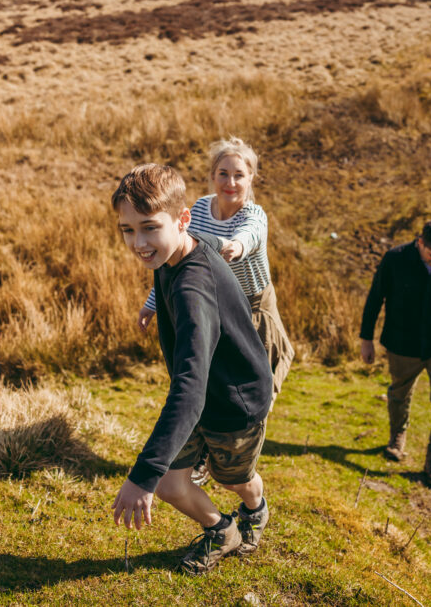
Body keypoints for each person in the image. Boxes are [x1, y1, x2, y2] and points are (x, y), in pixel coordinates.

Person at [110, 163, 273, 575]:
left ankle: (255, 508)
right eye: (127, 230)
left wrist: (141, 476)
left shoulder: (192, 288)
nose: (139, 243)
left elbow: (190, 387)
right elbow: (193, 388)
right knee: (171, 485)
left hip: (235, 404)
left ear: (182, 220)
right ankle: (222, 530)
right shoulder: (172, 256)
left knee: (234, 479)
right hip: (199, 400)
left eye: (149, 227)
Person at [137, 137, 294, 485]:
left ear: (251, 178)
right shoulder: (199, 209)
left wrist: (233, 245)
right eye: (223, 173)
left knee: (258, 388)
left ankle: (240, 456)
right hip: (213, 304)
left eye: (239, 175)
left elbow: (247, 236)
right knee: (207, 379)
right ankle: (205, 451)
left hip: (253, 309)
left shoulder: (254, 215)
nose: (231, 183)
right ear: (212, 176)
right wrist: (152, 303)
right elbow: (177, 256)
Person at [359, 219, 431, 489]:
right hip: (402, 342)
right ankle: (397, 436)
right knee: (399, 393)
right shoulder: (395, 258)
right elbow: (375, 297)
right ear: (420, 243)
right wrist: (367, 339)